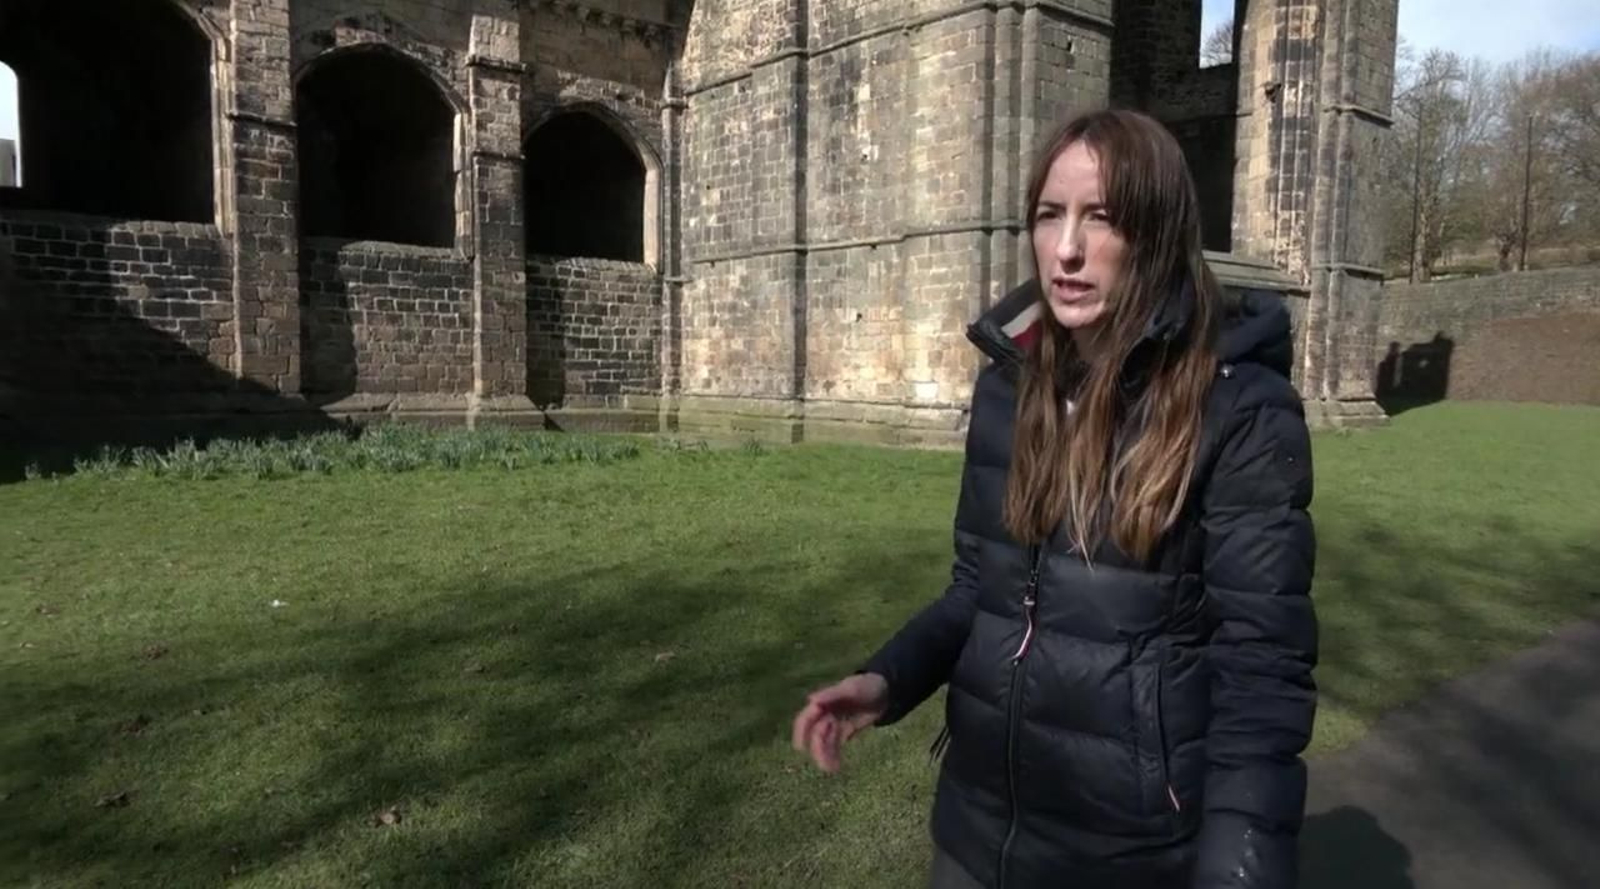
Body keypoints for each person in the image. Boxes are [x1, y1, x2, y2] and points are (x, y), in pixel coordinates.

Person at [790, 108, 1318, 889]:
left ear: (1159, 234)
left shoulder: (1241, 412)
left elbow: (1260, 676)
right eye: (1049, 215)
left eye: (1101, 218)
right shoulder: (1008, 390)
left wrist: (1239, 868)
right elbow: (981, 589)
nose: (1067, 249)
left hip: (1126, 853)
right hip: (977, 830)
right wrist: (887, 680)